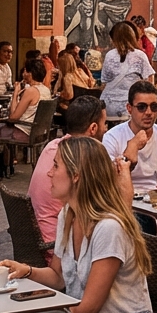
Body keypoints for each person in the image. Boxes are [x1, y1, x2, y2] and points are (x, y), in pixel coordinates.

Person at [0, 137, 153, 313]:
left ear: (76, 175)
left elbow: (89, 308)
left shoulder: (109, 228)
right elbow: (58, 276)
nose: (49, 173)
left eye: (56, 166)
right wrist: (25, 271)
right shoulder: (69, 214)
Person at [29, 95, 118, 253]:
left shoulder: (52, 145)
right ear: (93, 128)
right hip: (56, 246)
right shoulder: (81, 158)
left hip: (35, 240)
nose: (106, 129)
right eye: (105, 124)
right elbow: (110, 202)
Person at [103, 80, 157, 196]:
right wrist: (133, 147)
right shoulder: (112, 137)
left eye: (154, 107)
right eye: (141, 107)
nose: (149, 112)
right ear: (129, 108)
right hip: (127, 201)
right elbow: (108, 179)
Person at [0, 57, 53, 163]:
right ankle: (7, 162)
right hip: (39, 133)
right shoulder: (46, 90)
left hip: (25, 132)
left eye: (25, 70)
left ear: (30, 73)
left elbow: (13, 117)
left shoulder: (31, 91)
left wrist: (15, 93)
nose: (23, 73)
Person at [100, 21, 155, 122]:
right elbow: (149, 81)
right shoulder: (140, 55)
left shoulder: (109, 55)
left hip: (109, 104)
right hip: (130, 106)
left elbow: (104, 81)